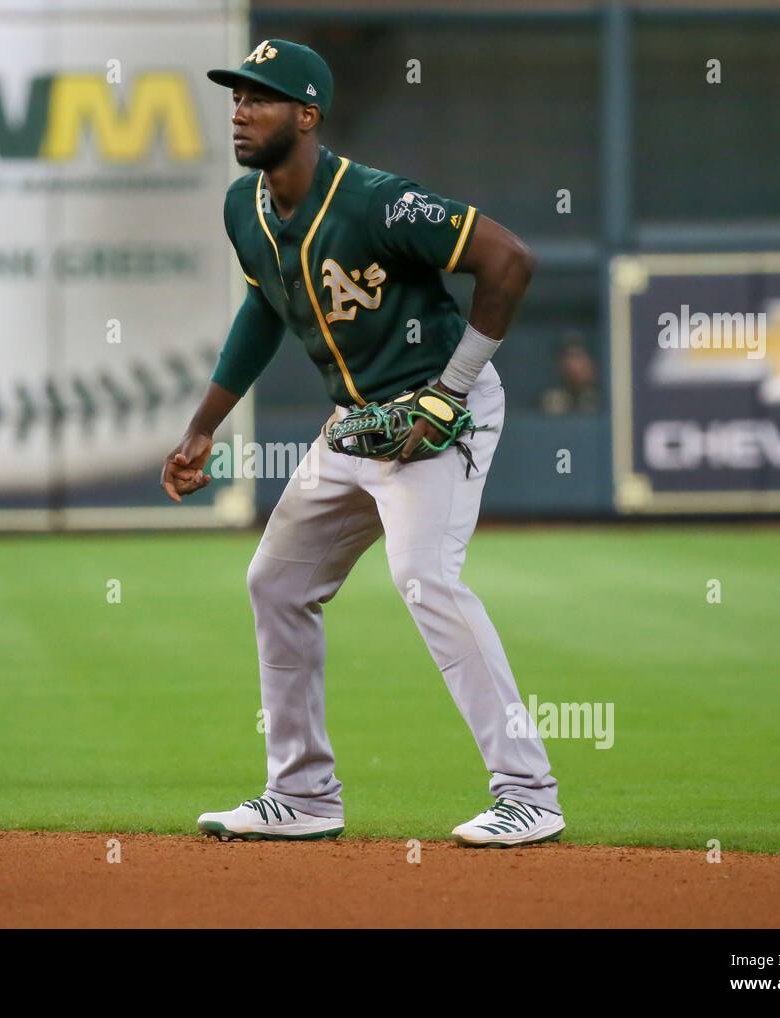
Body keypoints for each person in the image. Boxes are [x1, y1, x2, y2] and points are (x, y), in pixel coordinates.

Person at [160, 39, 563, 848]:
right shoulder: (247, 208)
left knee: (425, 580)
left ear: (307, 115)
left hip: (439, 413)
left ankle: (530, 793)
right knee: (276, 582)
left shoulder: (376, 201)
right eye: (236, 96)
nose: (240, 110)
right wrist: (204, 425)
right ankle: (303, 794)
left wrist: (450, 392)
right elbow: (265, 310)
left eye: (261, 97)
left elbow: (509, 260)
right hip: (357, 424)